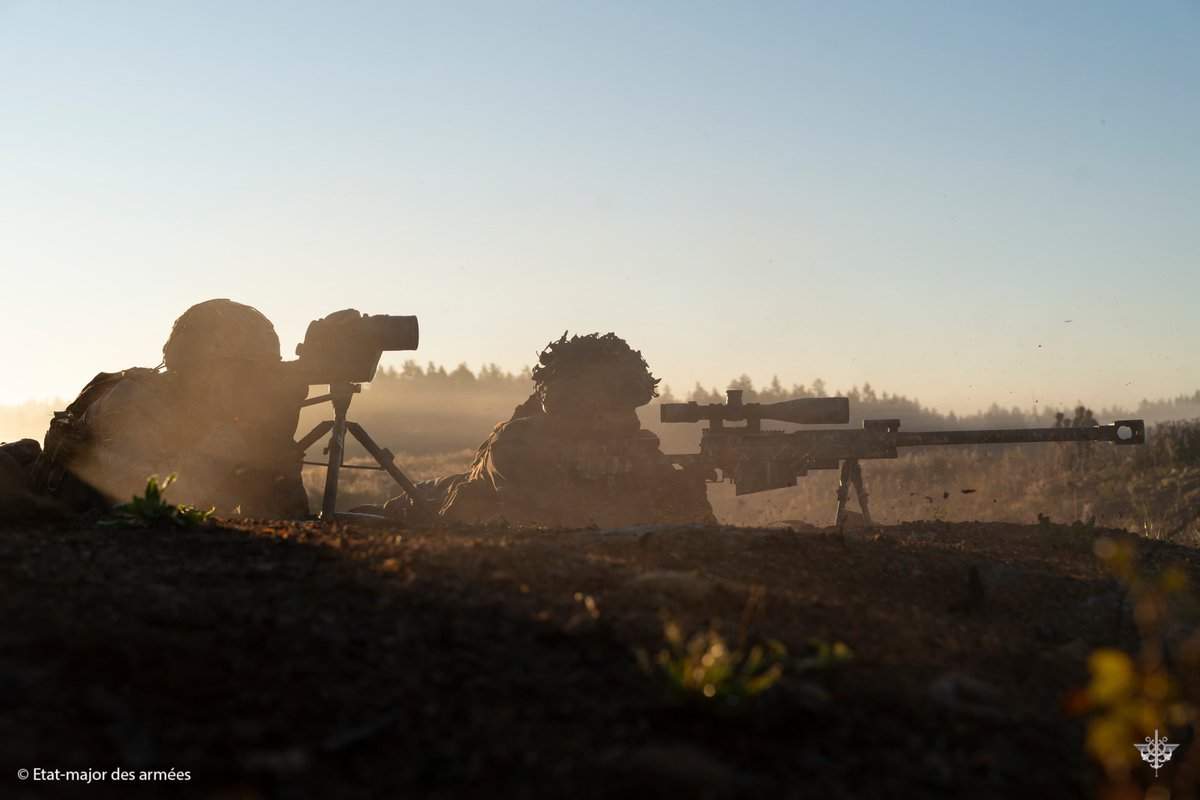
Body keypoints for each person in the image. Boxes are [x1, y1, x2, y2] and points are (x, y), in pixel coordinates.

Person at [384, 332, 715, 527]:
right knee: (389, 512)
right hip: (434, 503)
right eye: (612, 400)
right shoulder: (518, 443)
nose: (623, 413)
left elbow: (684, 514)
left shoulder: (635, 444)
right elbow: (544, 519)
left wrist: (688, 486)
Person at [28, 299, 310, 517]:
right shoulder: (132, 402)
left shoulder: (210, 410)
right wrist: (232, 439)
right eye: (243, 372)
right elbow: (144, 501)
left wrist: (273, 445)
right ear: (200, 368)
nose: (251, 385)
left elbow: (283, 525)